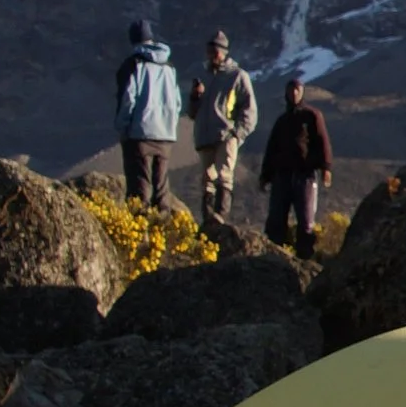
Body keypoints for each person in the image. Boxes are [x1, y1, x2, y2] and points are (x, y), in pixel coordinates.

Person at [187, 28, 259, 228]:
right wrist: (195, 96)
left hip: (226, 135)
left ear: (224, 52)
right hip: (204, 137)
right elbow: (192, 112)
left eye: (216, 52)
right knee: (207, 179)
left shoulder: (237, 76)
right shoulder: (201, 75)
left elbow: (250, 110)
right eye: (209, 52)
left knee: (224, 175)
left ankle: (221, 216)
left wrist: (237, 134)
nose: (212, 56)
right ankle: (208, 219)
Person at [259, 73, 333, 256]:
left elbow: (322, 141)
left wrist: (326, 168)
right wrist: (265, 175)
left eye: (297, 90)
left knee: (306, 221)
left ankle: (305, 258)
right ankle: (274, 256)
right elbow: (271, 149)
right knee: (276, 220)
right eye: (290, 90)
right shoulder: (281, 121)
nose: (293, 93)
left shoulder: (312, 116)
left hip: (305, 175)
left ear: (302, 92)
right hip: (282, 176)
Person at [114, 21, 184, 210]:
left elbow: (128, 98)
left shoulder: (134, 65)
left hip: (139, 134)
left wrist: (123, 127)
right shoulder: (169, 66)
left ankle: (139, 230)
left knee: (140, 188)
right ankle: (162, 227)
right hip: (166, 135)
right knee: (161, 189)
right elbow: (177, 103)